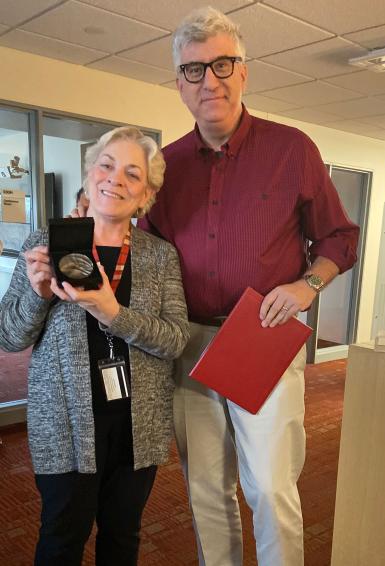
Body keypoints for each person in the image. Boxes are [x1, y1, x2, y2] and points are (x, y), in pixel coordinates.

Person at [138, 7, 360, 566]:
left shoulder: (293, 150)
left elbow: (338, 237)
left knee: (268, 487)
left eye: (221, 64)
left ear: (243, 72)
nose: (208, 80)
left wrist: (309, 285)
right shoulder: (166, 168)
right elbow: (146, 252)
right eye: (193, 70)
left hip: (262, 336)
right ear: (179, 84)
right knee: (206, 491)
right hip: (188, 343)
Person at [0, 126, 189, 566]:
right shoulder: (42, 244)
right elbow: (9, 336)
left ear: (145, 195)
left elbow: (176, 338)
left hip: (135, 426)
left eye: (131, 174)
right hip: (64, 423)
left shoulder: (160, 256)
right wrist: (38, 294)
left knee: (123, 536)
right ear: (89, 175)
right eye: (106, 165)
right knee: (62, 538)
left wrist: (113, 313)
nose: (115, 179)